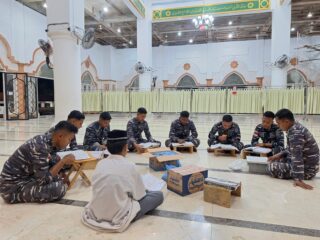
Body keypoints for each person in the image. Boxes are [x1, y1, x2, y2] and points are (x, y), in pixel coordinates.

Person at [82, 130, 164, 233]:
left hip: (96, 212)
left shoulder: (100, 163)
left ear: (107, 147)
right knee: (158, 195)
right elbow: (139, 196)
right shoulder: (129, 166)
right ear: (125, 147)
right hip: (119, 216)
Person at [0, 121, 77, 204]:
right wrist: (63, 161)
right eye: (69, 139)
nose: (69, 143)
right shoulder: (41, 147)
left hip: (25, 177)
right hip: (11, 189)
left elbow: (48, 164)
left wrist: (60, 171)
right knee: (58, 189)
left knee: (57, 177)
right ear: (60, 136)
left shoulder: (47, 139)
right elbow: (43, 181)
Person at [268, 109, 319, 190]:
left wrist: (298, 179)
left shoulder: (296, 133)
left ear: (286, 121)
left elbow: (297, 156)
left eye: (279, 123)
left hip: (307, 170)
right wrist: (279, 155)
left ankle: (299, 175)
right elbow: (290, 149)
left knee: (271, 167)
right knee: (275, 160)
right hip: (306, 164)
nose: (278, 125)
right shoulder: (294, 127)